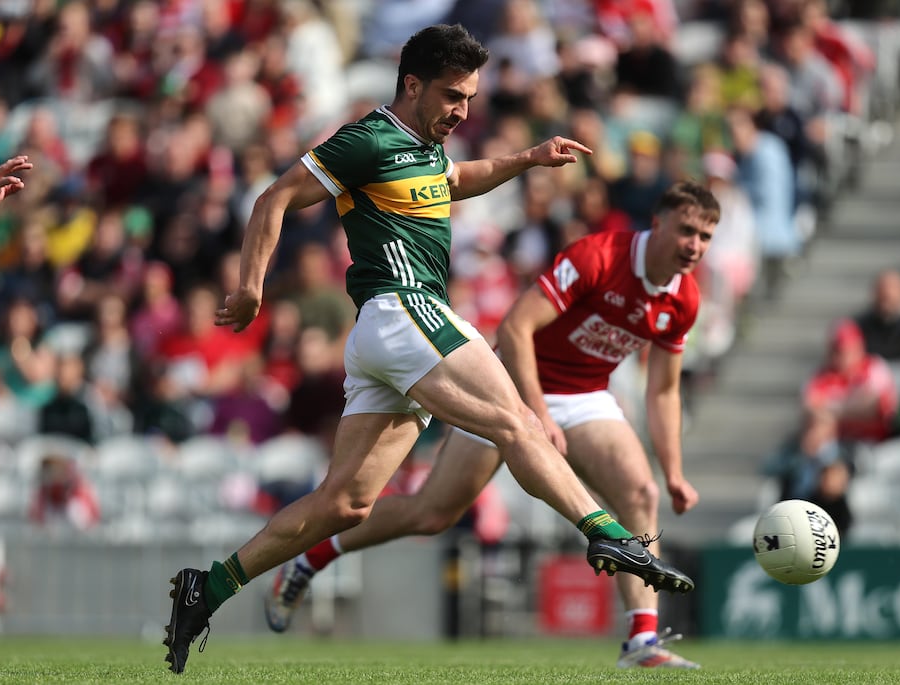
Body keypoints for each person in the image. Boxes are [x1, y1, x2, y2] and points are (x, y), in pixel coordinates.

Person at [163, 24, 692, 675]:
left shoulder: (427, 148)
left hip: (384, 334)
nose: (462, 110)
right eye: (451, 95)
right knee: (518, 422)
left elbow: (459, 178)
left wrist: (525, 159)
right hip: (404, 306)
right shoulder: (369, 138)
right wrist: (250, 286)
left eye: (469, 97)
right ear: (411, 84)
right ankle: (612, 538)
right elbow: (274, 197)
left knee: (345, 503)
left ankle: (206, 587)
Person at [262, 182, 717, 670]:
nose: (695, 245)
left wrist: (673, 470)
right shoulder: (599, 256)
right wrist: (536, 414)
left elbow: (665, 390)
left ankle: (641, 643)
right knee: (431, 514)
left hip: (585, 397)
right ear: (659, 222)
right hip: (510, 387)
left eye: (706, 236)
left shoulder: (683, 299)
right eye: (687, 230)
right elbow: (516, 328)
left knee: (641, 493)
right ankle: (312, 557)